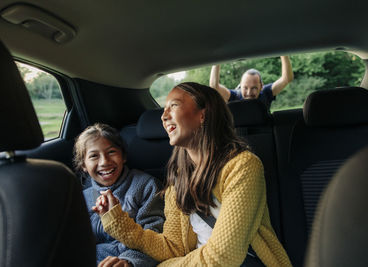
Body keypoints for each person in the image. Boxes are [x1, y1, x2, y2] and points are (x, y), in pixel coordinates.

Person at [93, 83, 292, 266]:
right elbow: (172, 247)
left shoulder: (243, 166)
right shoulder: (179, 178)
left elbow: (223, 256)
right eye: (164, 110)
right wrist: (117, 220)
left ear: (202, 115)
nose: (164, 116)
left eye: (174, 105)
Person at [73, 123, 165, 267]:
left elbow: (155, 237)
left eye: (111, 152)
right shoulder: (81, 197)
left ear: (123, 156)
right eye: (94, 156)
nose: (104, 162)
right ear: (83, 165)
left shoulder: (146, 186)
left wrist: (128, 261)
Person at [209, 56, 294, 109]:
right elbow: (214, 86)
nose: (249, 93)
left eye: (254, 88)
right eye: (245, 88)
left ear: (261, 86)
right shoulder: (234, 96)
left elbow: (287, 78)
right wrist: (218, 58)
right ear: (240, 86)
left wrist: (283, 54)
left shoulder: (266, 93)